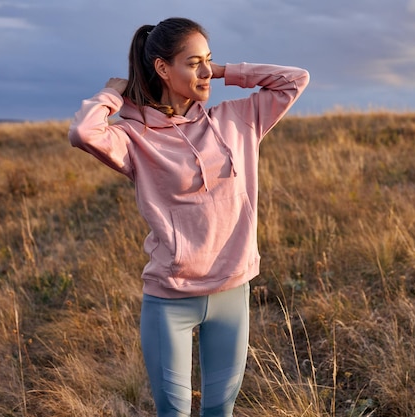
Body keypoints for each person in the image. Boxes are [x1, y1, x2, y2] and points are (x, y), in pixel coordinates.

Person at [68, 17, 309, 417]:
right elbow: (84, 133)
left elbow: (295, 80)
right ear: (163, 68)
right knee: (174, 413)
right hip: (170, 299)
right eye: (192, 62)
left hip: (233, 289)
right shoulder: (135, 137)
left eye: (208, 61)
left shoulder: (237, 119)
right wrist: (112, 94)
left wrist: (224, 71)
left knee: (220, 410)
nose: (205, 72)